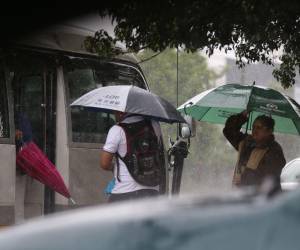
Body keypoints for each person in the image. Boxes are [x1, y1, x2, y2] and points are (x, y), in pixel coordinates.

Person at [100, 111, 166, 202]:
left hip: (125, 191)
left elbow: (104, 163)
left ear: (121, 111)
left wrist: (113, 167)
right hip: (152, 191)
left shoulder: (117, 129)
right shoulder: (155, 125)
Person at [223, 110, 286, 192]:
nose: (254, 130)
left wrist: (244, 178)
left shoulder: (274, 150)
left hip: (261, 200)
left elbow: (269, 179)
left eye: (259, 128)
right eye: (253, 127)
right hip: (241, 196)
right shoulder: (245, 143)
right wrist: (242, 116)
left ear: (269, 131)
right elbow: (229, 131)